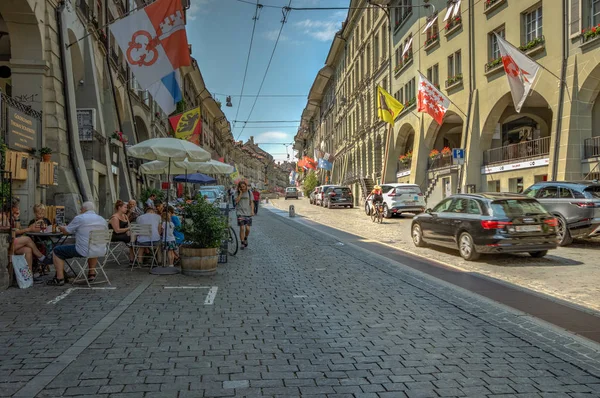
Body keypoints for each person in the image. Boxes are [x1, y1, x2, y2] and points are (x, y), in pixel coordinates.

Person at [47, 201, 108, 286]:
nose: (80, 211)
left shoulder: (80, 218)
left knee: (57, 250)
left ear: (83, 209)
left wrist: (61, 227)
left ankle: (59, 278)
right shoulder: (102, 219)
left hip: (82, 250)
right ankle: (91, 273)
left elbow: (67, 231)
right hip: (101, 250)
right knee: (93, 245)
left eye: (80, 209)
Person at [109, 200, 134, 265]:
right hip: (115, 235)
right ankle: (134, 258)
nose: (126, 209)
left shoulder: (125, 216)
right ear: (119, 207)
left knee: (134, 236)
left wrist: (128, 230)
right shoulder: (115, 217)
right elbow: (117, 230)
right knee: (133, 238)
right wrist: (128, 229)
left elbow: (129, 226)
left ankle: (133, 258)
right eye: (125, 207)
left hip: (123, 234)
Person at [235, 181, 254, 249]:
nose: (242, 188)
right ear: (239, 187)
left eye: (243, 186)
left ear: (246, 186)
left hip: (248, 213)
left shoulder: (249, 193)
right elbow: (236, 201)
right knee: (242, 228)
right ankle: (242, 242)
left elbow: (251, 202)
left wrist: (252, 211)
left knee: (248, 229)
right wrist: (240, 193)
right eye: (241, 187)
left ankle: (245, 238)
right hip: (240, 213)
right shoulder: (237, 193)